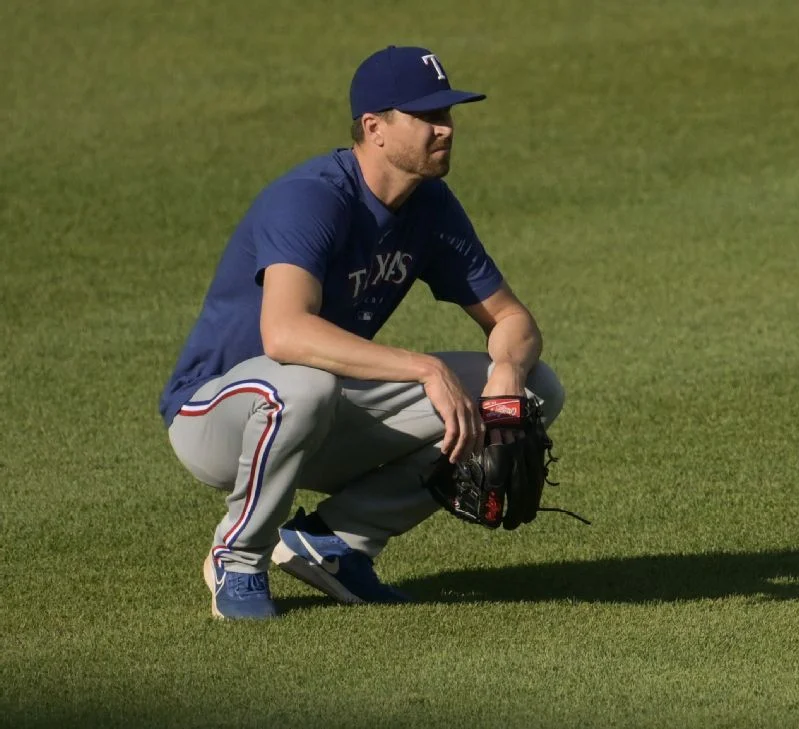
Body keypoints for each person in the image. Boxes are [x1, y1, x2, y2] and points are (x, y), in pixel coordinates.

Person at [157, 45, 564, 620]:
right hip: (216, 412)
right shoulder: (312, 197)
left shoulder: (431, 206)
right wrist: (425, 367)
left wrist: (504, 378)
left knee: (534, 390)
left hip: (317, 410)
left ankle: (335, 544)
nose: (445, 130)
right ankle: (238, 556)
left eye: (448, 115)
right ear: (374, 128)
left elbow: (513, 320)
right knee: (305, 385)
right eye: (428, 117)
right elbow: (285, 334)